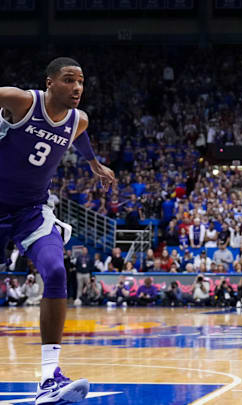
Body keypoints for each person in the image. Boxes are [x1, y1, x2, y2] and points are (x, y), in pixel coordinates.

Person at [0, 57, 115, 403]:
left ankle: (49, 379)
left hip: (32, 210)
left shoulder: (79, 120)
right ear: (50, 82)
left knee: (54, 271)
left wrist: (93, 162)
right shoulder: (22, 100)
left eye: (81, 82)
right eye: (69, 80)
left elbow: (78, 138)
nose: (77, 87)